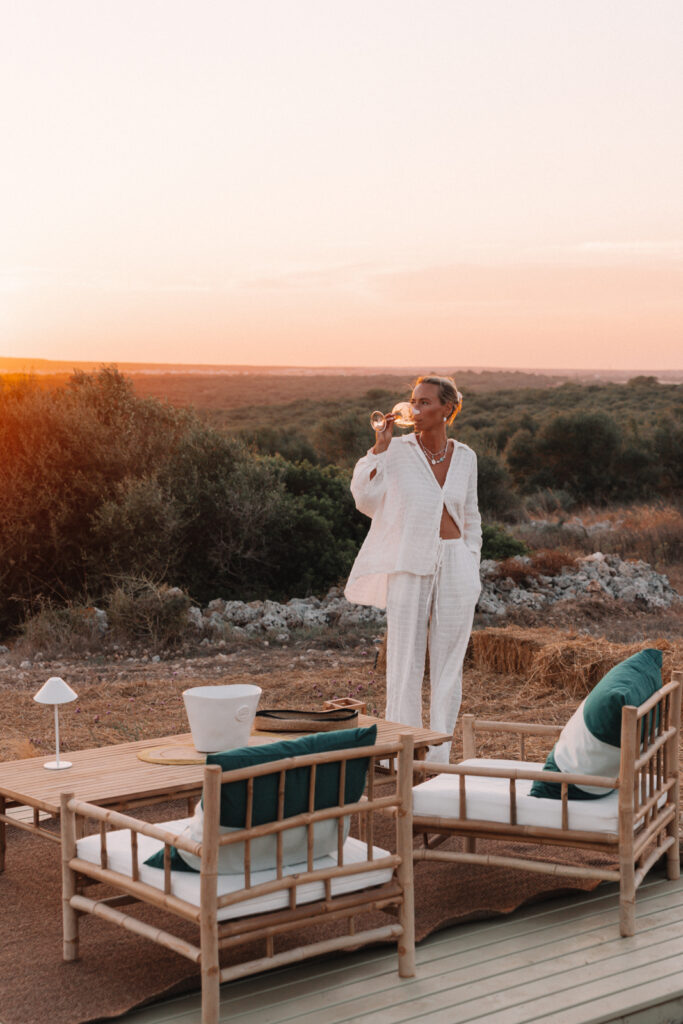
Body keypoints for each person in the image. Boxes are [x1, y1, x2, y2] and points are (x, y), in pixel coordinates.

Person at [345, 375, 481, 762]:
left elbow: (471, 515)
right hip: (409, 562)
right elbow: (364, 496)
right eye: (413, 402)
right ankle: (401, 754)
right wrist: (379, 448)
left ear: (447, 409)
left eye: (425, 403)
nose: (415, 410)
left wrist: (472, 560)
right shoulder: (399, 451)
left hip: (456, 563)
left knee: (449, 666)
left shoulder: (466, 456)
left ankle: (439, 757)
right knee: (405, 661)